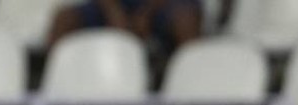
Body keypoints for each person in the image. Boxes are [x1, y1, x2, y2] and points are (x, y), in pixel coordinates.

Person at [49, 0, 202, 61]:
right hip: (118, 4)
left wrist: (147, 13)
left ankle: (192, 86)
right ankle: (46, 96)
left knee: (185, 20)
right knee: (65, 18)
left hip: (167, 4)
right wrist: (114, 12)